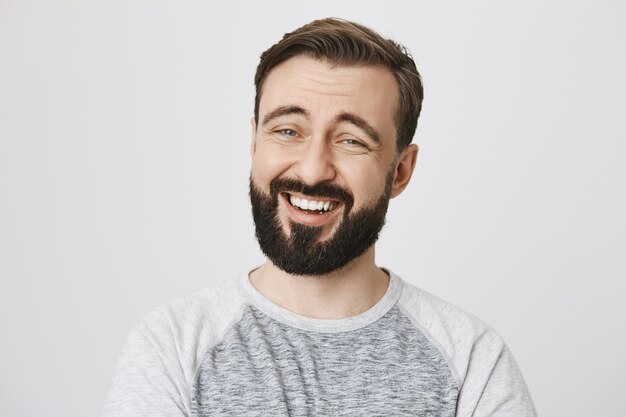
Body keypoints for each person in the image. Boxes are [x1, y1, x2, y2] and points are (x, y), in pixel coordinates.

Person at [103, 18, 537, 417]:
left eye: (351, 141)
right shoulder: (173, 345)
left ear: (400, 171)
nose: (312, 170)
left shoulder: (472, 360)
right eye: (288, 131)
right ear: (254, 143)